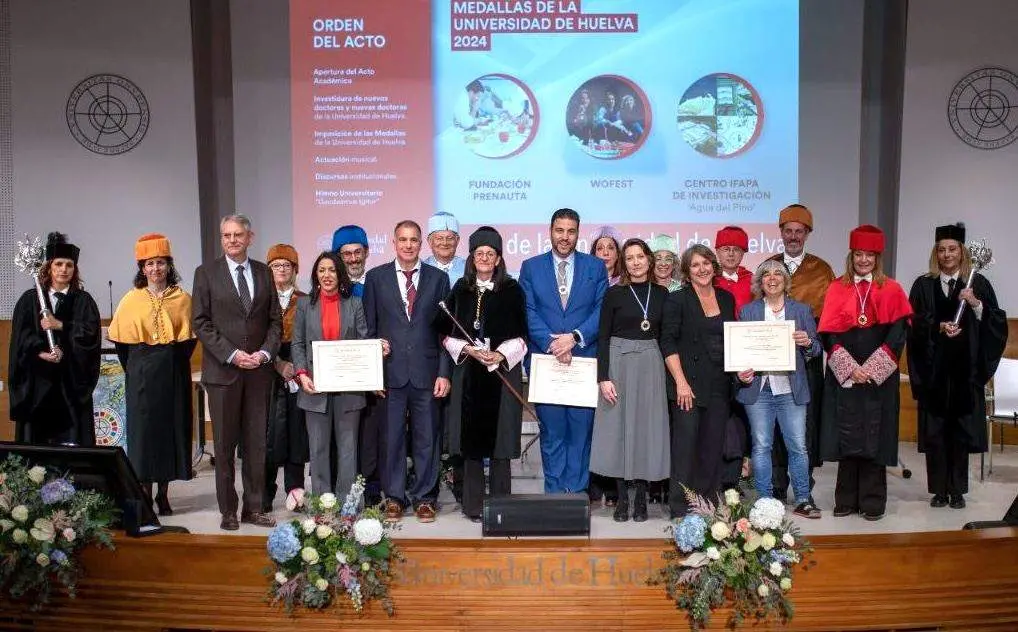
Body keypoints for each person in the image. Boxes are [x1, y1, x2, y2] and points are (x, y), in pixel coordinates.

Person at [907, 224, 1007, 509]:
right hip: (934, 373)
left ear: (961, 252)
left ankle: (957, 490)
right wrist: (936, 325)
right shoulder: (923, 285)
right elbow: (913, 323)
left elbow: (996, 323)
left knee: (959, 434)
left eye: (952, 249)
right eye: (942, 249)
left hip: (965, 372)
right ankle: (939, 490)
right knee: (937, 434)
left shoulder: (978, 283)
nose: (947, 254)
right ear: (935, 253)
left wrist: (975, 304)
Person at [192, 214, 281, 530]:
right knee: (225, 445)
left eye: (237, 235)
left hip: (258, 372)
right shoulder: (206, 274)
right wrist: (232, 354)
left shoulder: (263, 273)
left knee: (256, 443)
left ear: (250, 237)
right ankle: (228, 510)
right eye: (226, 235)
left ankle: (253, 508)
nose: (231, 240)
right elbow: (200, 322)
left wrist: (265, 352)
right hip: (223, 372)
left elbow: (275, 320)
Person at [818, 225, 912, 521]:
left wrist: (871, 369)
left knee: (875, 434)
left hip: (878, 379)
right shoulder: (836, 287)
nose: (863, 260)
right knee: (847, 435)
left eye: (869, 255)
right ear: (851, 256)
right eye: (858, 254)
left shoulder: (892, 289)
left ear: (877, 258)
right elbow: (829, 335)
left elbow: (897, 334)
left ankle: (872, 501)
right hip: (845, 374)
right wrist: (849, 368)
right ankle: (845, 500)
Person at [363, 220, 452, 523]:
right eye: (403, 239)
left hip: (427, 373)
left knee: (427, 437)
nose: (409, 245)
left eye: (414, 240)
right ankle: (395, 498)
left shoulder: (439, 279)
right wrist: (374, 369)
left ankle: (426, 498)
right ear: (393, 242)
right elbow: (369, 330)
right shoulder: (376, 278)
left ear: (421, 243)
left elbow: (445, 333)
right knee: (392, 438)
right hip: (390, 373)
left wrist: (444, 372)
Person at [440, 227, 528, 522]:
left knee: (500, 442)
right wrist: (469, 349)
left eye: (491, 254)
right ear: (472, 257)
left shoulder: (513, 290)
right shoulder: (460, 290)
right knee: (471, 443)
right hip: (469, 375)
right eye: (480, 254)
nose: (485, 258)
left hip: (501, 373)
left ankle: (502, 503)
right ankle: (474, 505)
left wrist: (500, 354)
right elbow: (445, 334)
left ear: (499, 258)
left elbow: (523, 336)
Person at [519, 208, 608, 494]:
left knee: (581, 433)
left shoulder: (595, 267)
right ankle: (555, 496)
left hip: (582, 360)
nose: (565, 237)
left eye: (571, 231)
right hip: (547, 362)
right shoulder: (530, 267)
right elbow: (528, 310)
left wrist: (574, 338)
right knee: (553, 433)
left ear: (578, 233)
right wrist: (553, 343)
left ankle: (577, 496)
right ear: (550, 231)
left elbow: (601, 309)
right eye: (560, 230)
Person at [108, 233, 196, 515]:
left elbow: (188, 342)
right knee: (143, 435)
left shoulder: (183, 298)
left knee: (171, 431)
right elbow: (122, 346)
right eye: (149, 264)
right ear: (142, 268)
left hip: (172, 371)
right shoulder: (130, 300)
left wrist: (170, 360)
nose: (155, 269)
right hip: (141, 372)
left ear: (168, 266)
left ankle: (164, 493)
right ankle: (144, 492)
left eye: (160, 263)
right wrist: (139, 367)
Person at [735, 260, 822, 519]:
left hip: (790, 389)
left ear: (786, 280)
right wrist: (740, 371)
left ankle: (803, 499)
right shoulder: (748, 311)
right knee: (761, 446)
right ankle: (764, 500)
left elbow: (816, 349)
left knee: (797, 447)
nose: (772, 278)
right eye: (766, 275)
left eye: (778, 274)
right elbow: (739, 352)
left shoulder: (802, 310)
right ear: (760, 282)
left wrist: (807, 342)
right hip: (758, 390)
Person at [591, 238, 670, 522]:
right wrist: (603, 377)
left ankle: (642, 501)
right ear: (624, 263)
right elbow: (602, 337)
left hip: (651, 363)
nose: (635, 262)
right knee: (618, 430)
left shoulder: (663, 294)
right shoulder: (614, 294)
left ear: (649, 260)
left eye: (640, 256)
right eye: (630, 257)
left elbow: (668, 338)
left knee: (646, 432)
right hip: (618, 364)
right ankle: (622, 499)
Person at [660, 244, 737, 518]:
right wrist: (680, 381)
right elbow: (667, 342)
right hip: (687, 385)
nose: (702, 269)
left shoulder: (727, 298)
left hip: (719, 383)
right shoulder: (677, 299)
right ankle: (681, 508)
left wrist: (742, 370)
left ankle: (708, 505)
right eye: (695, 265)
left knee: (712, 446)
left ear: (713, 266)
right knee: (685, 447)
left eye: (706, 263)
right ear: (687, 271)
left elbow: (733, 341)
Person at [767, 204, 835, 503]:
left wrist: (809, 342)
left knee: (803, 428)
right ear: (781, 233)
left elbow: (829, 319)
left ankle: (803, 489)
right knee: (774, 426)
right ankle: (777, 488)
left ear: (807, 234)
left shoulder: (822, 271)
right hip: (771, 361)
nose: (793, 236)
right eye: (788, 230)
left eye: (799, 231)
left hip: (806, 361)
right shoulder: (769, 266)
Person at [291, 251, 371, 497]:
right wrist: (302, 373)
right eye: (322, 270)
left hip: (349, 390)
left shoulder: (355, 304)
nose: (327, 275)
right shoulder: (304, 304)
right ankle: (321, 509)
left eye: (332, 270)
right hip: (314, 388)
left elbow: (363, 340)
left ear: (341, 274)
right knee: (318, 451)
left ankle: (349, 508)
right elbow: (297, 344)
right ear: (315, 274)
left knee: (348, 452)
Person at [10, 232, 101, 446]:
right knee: (38, 449)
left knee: (71, 447)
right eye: (58, 264)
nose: (63, 269)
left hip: (70, 388)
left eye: (69, 265)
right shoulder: (30, 300)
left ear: (75, 269)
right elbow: (20, 340)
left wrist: (61, 326)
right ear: (49, 267)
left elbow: (90, 336)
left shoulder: (83, 301)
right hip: (38, 389)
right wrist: (40, 351)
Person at [262, 244, 308, 511]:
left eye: (286, 265)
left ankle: (295, 492)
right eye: (275, 266)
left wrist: (296, 366)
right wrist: (277, 362)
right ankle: (265, 491)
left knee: (296, 433)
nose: (281, 270)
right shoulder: (260, 300)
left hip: (297, 368)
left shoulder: (304, 300)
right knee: (267, 435)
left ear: (294, 270)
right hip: (266, 370)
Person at [587, 224, 624, 507]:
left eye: (610, 248)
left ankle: (613, 485)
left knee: (613, 421)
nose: (605, 253)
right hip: (590, 354)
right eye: (600, 248)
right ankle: (593, 483)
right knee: (591, 423)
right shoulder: (586, 280)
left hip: (619, 358)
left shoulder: (626, 284)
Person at [714, 226, 753, 314]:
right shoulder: (708, 280)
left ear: (743, 253)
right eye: (726, 249)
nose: (731, 254)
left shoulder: (753, 281)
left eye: (736, 249)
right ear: (717, 251)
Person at [424, 211, 467, 284]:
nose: (445, 243)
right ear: (430, 241)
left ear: (457, 240)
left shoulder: (468, 268)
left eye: (450, 238)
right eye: (439, 238)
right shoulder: (422, 269)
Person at [332, 225, 370, 297]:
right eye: (347, 254)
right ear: (338, 257)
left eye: (358, 252)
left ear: (366, 252)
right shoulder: (331, 287)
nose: (353, 259)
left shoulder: (377, 284)